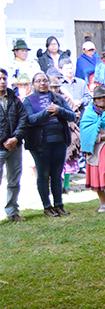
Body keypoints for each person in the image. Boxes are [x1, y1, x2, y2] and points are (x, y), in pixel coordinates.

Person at [22, 72, 77, 217]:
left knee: (57, 174)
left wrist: (59, 110)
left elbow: (72, 115)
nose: (42, 83)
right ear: (33, 84)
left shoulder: (57, 98)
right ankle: (47, 206)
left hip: (59, 141)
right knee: (43, 174)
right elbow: (30, 120)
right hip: (40, 143)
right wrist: (46, 112)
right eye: (38, 81)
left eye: (45, 81)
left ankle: (59, 204)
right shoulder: (28, 100)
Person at [0, 68, 27, 222]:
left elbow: (23, 119)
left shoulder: (13, 97)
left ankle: (12, 211)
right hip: (1, 147)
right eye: (0, 79)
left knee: (14, 180)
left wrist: (15, 138)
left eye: (4, 78)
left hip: (15, 146)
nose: (2, 81)